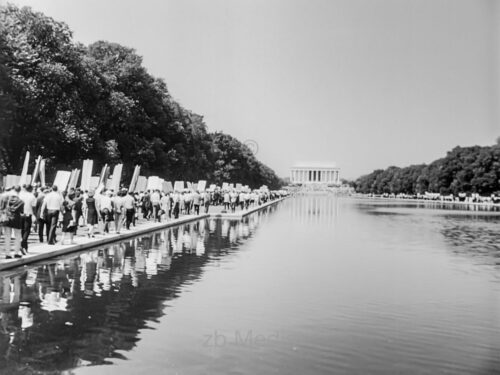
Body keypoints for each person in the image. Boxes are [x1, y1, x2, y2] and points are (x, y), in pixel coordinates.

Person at [1, 186, 24, 258]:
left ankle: (7, 254)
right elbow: (21, 211)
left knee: (7, 236)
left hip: (7, 218)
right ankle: (16, 252)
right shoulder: (20, 199)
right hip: (16, 218)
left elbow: (1, 208)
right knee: (17, 236)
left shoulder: (4, 198)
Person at [19, 185, 36, 253]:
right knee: (27, 230)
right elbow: (34, 206)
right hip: (28, 214)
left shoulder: (20, 195)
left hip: (20, 214)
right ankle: (23, 242)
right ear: (31, 189)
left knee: (22, 230)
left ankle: (25, 247)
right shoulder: (32, 196)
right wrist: (34, 214)